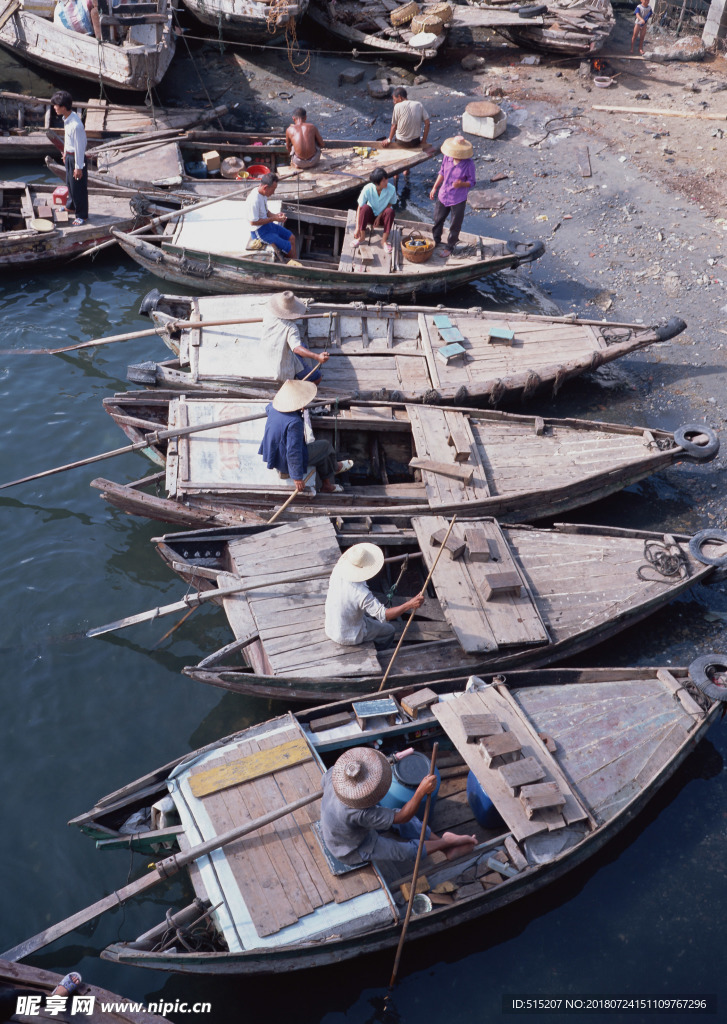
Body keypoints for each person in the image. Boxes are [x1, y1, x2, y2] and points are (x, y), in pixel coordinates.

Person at [321, 746, 477, 879]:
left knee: (404, 818)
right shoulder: (359, 813)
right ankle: (448, 842)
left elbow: (324, 784)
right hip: (349, 847)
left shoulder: (335, 773)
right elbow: (403, 817)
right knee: (403, 850)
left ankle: (445, 848)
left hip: (347, 827)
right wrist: (420, 791)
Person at [258, 379, 353, 494]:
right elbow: (293, 451)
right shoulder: (294, 423)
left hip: (274, 453)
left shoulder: (272, 407)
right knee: (325, 446)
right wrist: (297, 477)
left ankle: (326, 485)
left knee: (321, 454)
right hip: (284, 460)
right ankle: (335, 467)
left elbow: (268, 409)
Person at [324, 542, 424, 649]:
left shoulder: (337, 570)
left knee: (366, 614)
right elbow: (384, 615)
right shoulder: (361, 593)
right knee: (389, 630)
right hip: (348, 635)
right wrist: (409, 605)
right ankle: (381, 650)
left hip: (331, 626)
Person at [262, 291, 329, 383]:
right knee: (317, 377)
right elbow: (296, 348)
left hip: (267, 348)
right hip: (280, 363)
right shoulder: (291, 328)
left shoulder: (269, 313)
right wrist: (317, 357)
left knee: (303, 345)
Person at [429, 136, 476, 257]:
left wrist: (462, 184)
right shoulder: (447, 158)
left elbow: (472, 182)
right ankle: (436, 239)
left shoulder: (469, 164)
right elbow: (442, 173)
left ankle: (449, 247)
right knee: (438, 219)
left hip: (458, 199)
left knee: (455, 224)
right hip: (444, 194)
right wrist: (435, 187)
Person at [51, 90, 89, 226]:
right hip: (70, 156)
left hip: (77, 159)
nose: (54, 107)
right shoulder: (67, 119)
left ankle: (82, 215)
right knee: (70, 185)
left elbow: (80, 147)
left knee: (78, 188)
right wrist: (65, 152)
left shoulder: (76, 125)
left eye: (56, 105)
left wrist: (78, 167)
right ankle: (71, 206)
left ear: (63, 106)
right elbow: (68, 139)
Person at [244, 172, 297, 259]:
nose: (273, 192)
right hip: (259, 232)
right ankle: (294, 268)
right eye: (273, 189)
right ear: (265, 187)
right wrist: (273, 219)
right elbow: (253, 222)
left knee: (292, 237)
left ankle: (296, 262)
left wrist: (276, 216)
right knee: (289, 247)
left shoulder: (263, 194)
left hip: (267, 225)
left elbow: (266, 211)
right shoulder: (254, 200)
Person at [353, 167, 397, 253]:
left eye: (387, 179)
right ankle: (362, 238)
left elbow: (391, 203)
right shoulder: (367, 189)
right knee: (364, 208)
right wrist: (357, 227)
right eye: (384, 181)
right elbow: (359, 207)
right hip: (370, 216)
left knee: (390, 211)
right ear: (377, 183)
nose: (387, 182)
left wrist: (380, 215)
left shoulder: (391, 189)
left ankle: (383, 241)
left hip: (382, 218)